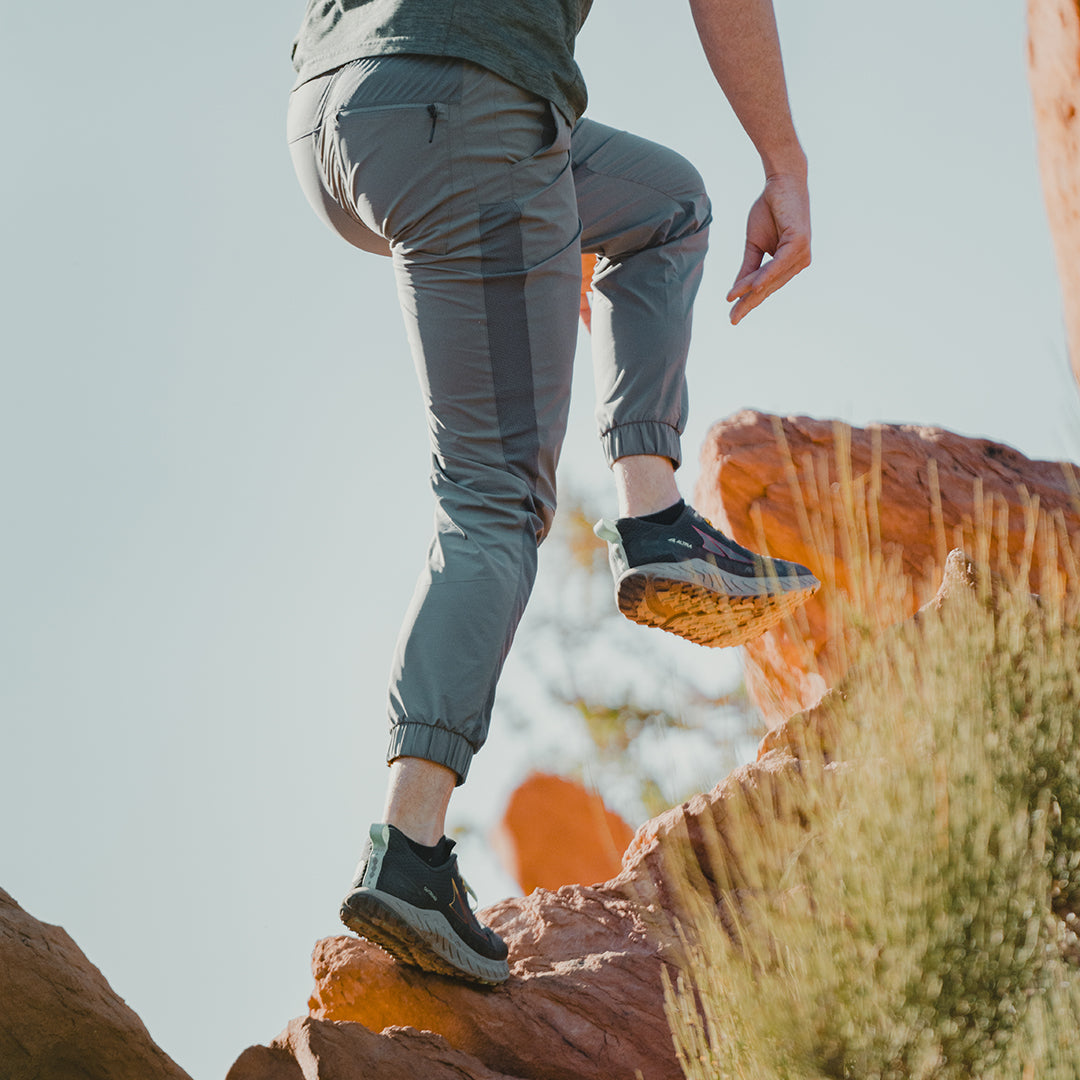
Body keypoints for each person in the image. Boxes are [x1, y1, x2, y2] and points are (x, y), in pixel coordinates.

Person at [286, 0, 818, 985]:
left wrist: (525, 186)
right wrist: (783, 161)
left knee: (665, 205)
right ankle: (409, 848)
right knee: (491, 498)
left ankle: (656, 522)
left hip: (336, 110)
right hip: (467, 97)